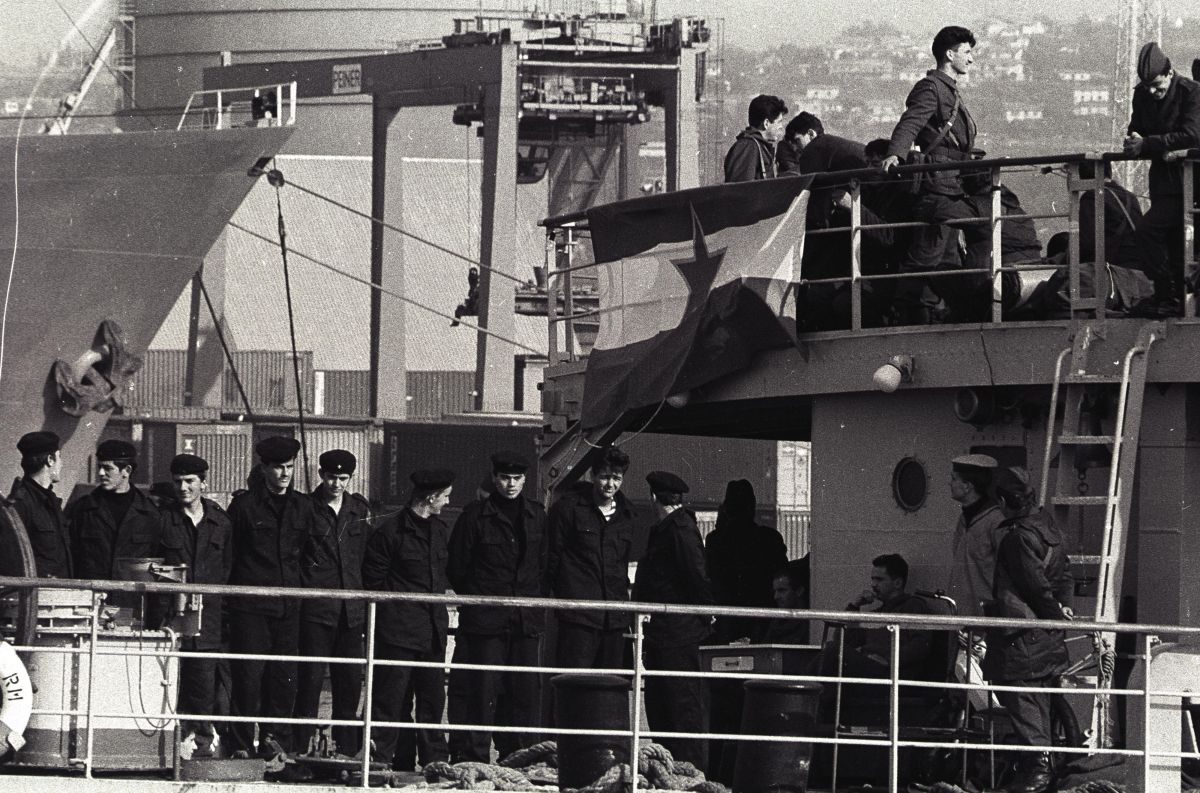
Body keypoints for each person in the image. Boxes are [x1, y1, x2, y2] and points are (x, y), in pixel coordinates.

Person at [881, 26, 992, 324]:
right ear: (950, 54)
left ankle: (942, 311)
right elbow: (911, 122)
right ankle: (911, 310)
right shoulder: (931, 88)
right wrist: (895, 153)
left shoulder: (949, 91)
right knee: (938, 251)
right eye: (967, 52)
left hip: (950, 185)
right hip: (937, 188)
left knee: (943, 258)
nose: (971, 59)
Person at [447, 451, 548, 763]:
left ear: (525, 480)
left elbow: (544, 565)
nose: (511, 484)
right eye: (505, 478)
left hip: (525, 622)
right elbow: (457, 568)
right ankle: (475, 759)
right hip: (486, 623)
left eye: (517, 478)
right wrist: (482, 602)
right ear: (494, 478)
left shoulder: (537, 515)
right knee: (482, 691)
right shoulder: (475, 516)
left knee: (523, 694)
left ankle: (519, 759)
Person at [984, 467, 1074, 793]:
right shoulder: (1048, 528)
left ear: (1003, 502)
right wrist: (1062, 612)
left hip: (1023, 636)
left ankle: (1038, 771)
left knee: (1022, 699)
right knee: (1040, 701)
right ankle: (1045, 767)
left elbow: (1033, 586)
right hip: (1046, 638)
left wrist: (1053, 615)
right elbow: (1063, 576)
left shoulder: (1016, 538)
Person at [225, 436, 314, 759]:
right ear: (263, 468)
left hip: (288, 609)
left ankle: (276, 746)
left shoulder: (304, 507)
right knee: (247, 679)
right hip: (250, 609)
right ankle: (240, 745)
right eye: (278, 467)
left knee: (283, 681)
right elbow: (231, 557)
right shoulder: (244, 507)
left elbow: (310, 555)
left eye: (289, 467)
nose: (285, 474)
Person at [361, 469, 454, 770]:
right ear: (430, 498)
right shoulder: (390, 533)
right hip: (397, 634)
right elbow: (373, 582)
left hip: (432, 633)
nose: (447, 502)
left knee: (432, 702)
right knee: (390, 702)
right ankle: (383, 763)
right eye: (445, 496)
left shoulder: (440, 531)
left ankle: (434, 764)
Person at [293, 450, 373, 757]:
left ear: (350, 478)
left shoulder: (359, 510)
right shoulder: (306, 508)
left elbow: (365, 556)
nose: (336, 484)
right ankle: (300, 749)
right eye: (330, 477)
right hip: (317, 611)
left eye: (342, 478)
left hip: (351, 613)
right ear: (320, 475)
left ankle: (347, 752)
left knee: (349, 685)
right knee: (310, 683)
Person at [633, 471, 714, 770]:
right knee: (663, 704)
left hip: (677, 633)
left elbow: (697, 575)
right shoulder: (669, 528)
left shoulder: (679, 529)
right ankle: (669, 767)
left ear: (654, 497)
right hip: (664, 632)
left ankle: (689, 771)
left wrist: (706, 614)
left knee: (681, 705)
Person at [160, 453, 233, 759]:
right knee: (168, 685)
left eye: (190, 481)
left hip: (208, 621)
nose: (183, 488)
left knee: (203, 687)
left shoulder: (221, 523)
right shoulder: (163, 520)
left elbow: (228, 570)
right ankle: (168, 749)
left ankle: (201, 747)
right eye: (177, 481)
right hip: (171, 621)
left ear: (204, 483)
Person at [1122, 41, 1200, 316]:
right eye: (1148, 87)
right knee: (1171, 242)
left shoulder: (1191, 92)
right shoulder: (1143, 95)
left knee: (1149, 231)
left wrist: (1148, 143)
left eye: (1157, 86)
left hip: (1189, 183)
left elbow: (1192, 135)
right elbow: (1137, 129)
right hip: (1163, 183)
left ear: (1169, 73)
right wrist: (1134, 142)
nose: (1153, 92)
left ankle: (1169, 293)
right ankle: (1171, 298)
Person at [546, 446, 637, 670]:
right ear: (592, 475)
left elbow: (623, 563)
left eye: (617, 478)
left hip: (614, 618)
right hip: (579, 617)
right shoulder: (568, 509)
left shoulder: (628, 514)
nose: (610, 484)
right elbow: (551, 558)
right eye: (604, 477)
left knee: (611, 682)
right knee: (574, 680)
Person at [68, 438, 162, 607]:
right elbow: (70, 559)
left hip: (132, 606)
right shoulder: (83, 510)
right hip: (89, 604)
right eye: (100, 467)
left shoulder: (149, 514)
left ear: (127, 470)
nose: (101, 473)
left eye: (108, 468)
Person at [704, 479, 787, 643]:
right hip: (762, 616)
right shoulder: (769, 539)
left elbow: (710, 578)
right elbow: (783, 574)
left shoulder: (715, 540)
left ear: (727, 509)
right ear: (753, 507)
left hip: (727, 617)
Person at [837, 554, 931, 680]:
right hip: (869, 669)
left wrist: (888, 660)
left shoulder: (913, 606)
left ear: (897, 583)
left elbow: (919, 646)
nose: (873, 585)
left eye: (879, 580)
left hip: (892, 674)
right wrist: (854, 606)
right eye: (872, 579)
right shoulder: (877, 613)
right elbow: (844, 641)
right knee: (834, 650)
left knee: (833, 652)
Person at [946, 454, 1003, 617]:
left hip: (985, 616)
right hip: (961, 613)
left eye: (954, 479)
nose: (950, 483)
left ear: (967, 486)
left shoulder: (996, 521)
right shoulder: (963, 519)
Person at [8, 431, 71, 578]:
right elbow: (11, 559)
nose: (61, 463)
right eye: (59, 457)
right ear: (50, 460)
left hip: (57, 590)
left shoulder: (51, 501)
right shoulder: (20, 503)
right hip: (36, 590)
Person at [724, 94, 788, 183]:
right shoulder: (748, 146)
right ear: (766, 123)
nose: (781, 127)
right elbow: (740, 188)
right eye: (779, 122)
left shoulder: (755, 146)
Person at [759, 559, 811, 644]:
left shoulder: (811, 625)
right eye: (775, 591)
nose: (776, 597)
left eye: (782, 590)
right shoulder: (775, 622)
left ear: (799, 591)